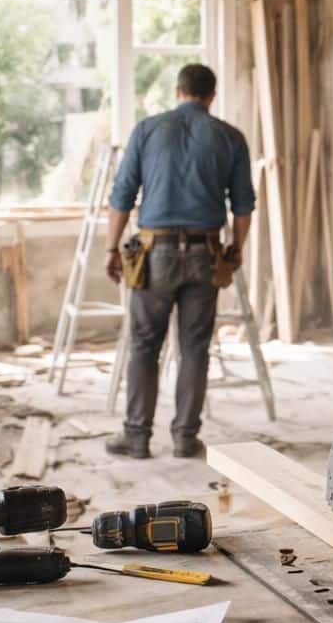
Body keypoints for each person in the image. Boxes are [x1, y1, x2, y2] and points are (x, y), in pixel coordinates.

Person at [102, 64, 255, 461]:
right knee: (195, 348)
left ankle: (137, 437)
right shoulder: (230, 137)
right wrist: (235, 248)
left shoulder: (147, 130)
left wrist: (110, 247)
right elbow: (243, 206)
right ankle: (186, 439)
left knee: (144, 344)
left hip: (156, 255)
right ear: (211, 95)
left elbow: (121, 196)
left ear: (178, 91)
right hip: (205, 254)